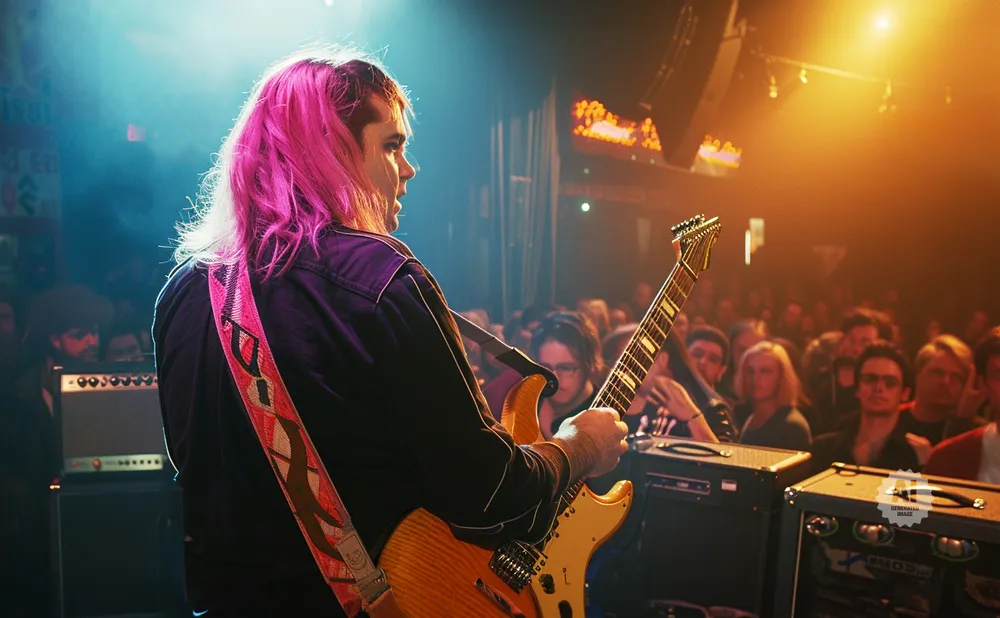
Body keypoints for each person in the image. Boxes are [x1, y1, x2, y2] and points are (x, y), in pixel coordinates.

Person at [152, 49, 628, 617]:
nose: (409, 169)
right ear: (329, 151)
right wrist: (580, 447)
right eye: (392, 145)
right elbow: (491, 500)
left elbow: (192, 473)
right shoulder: (381, 277)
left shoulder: (184, 294)